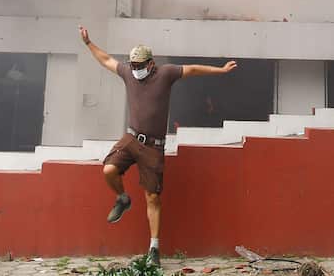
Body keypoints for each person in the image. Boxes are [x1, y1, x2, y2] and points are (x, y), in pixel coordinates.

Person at [78, 25, 237, 265]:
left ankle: (153, 249)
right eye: (133, 66)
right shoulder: (128, 73)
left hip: (153, 147)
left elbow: (193, 69)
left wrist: (221, 70)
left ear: (151, 64)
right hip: (132, 138)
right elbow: (107, 60)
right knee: (109, 170)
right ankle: (122, 198)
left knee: (152, 197)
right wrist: (88, 43)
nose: (136, 70)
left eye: (140, 66)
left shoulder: (165, 73)